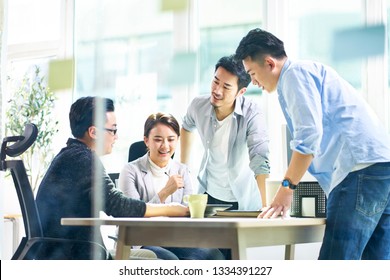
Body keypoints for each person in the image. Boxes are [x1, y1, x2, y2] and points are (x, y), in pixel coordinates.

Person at [235, 28, 390, 260]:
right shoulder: (310, 71)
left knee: (334, 263)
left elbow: (309, 136)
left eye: (252, 73)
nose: (254, 82)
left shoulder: (294, 75)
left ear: (269, 63)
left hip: (359, 170)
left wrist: (286, 188)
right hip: (380, 167)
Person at [36, 96, 188, 260]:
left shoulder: (71, 155)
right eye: (112, 130)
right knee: (167, 262)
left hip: (66, 250)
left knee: (157, 257)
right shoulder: (83, 159)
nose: (116, 137)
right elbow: (118, 205)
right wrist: (170, 207)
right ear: (93, 132)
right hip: (72, 254)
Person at [119, 112, 225, 260]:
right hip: (142, 240)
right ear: (146, 141)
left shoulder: (182, 170)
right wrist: (165, 192)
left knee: (213, 255)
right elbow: (133, 216)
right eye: (158, 140)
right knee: (171, 262)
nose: (165, 146)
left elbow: (187, 211)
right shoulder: (130, 171)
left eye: (171, 139)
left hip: (176, 238)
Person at [180, 55, 270, 211]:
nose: (217, 90)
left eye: (226, 87)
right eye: (215, 81)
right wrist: (183, 169)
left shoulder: (252, 113)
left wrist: (266, 205)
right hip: (208, 193)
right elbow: (187, 126)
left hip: (241, 197)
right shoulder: (198, 106)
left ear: (240, 91)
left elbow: (260, 160)